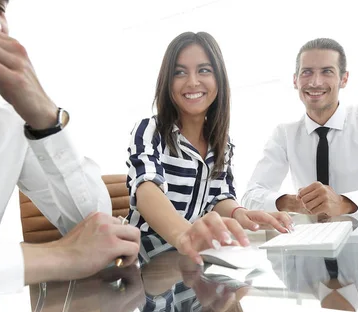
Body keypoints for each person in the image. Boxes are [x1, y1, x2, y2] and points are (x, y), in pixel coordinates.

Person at [0, 0, 142, 297]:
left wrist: (47, 121)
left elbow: (95, 225)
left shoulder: (7, 116)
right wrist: (64, 256)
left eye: (1, 7)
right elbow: (82, 249)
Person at [125, 32, 294, 265]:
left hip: (192, 261)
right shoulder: (151, 130)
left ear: (218, 79)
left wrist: (239, 213)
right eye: (180, 72)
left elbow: (219, 197)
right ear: (167, 81)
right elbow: (146, 190)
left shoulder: (221, 141)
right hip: (146, 260)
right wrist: (187, 235)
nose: (193, 82)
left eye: (204, 70)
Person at [241, 38, 358, 217]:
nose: (315, 82)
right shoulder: (284, 135)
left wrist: (344, 203)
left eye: (327, 71)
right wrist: (292, 202)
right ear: (295, 80)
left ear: (344, 79)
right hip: (312, 241)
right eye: (307, 72)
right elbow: (250, 195)